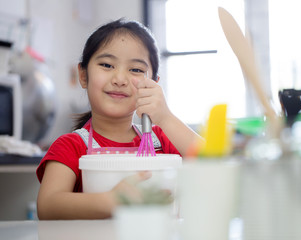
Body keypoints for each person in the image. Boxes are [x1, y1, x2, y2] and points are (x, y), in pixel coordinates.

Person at [36, 18, 202, 220]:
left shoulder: (161, 138)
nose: (120, 79)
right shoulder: (71, 146)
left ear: (153, 84)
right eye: (107, 65)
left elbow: (213, 165)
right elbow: (48, 206)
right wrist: (111, 201)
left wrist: (165, 117)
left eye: (136, 70)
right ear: (83, 75)